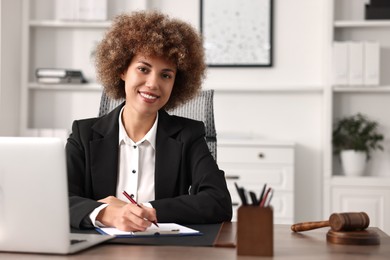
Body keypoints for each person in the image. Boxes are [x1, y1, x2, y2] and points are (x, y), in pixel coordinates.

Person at [66, 11, 232, 231]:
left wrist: (146, 210)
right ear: (123, 70)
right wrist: (108, 214)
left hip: (163, 251)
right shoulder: (83, 134)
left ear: (176, 83)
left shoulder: (189, 135)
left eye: (166, 75)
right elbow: (58, 199)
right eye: (143, 69)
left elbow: (219, 201)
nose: (153, 84)